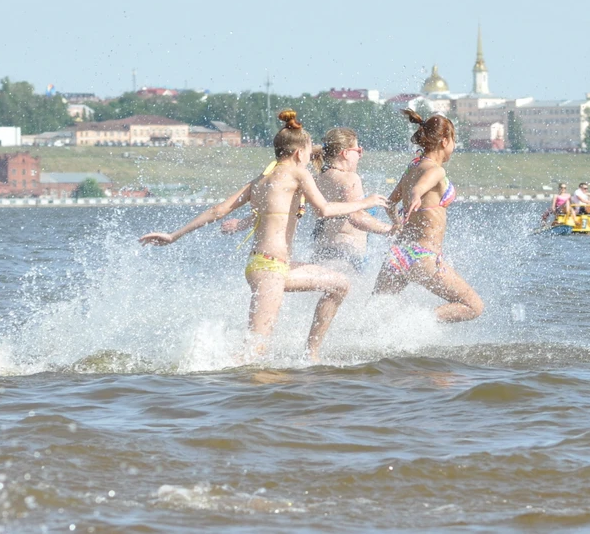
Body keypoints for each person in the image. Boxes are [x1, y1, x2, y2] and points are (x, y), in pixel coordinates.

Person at [138, 110, 388, 363]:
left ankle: (310, 356)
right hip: (270, 269)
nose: (315, 154)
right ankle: (204, 369)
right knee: (255, 350)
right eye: (310, 150)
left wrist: (174, 235)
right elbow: (324, 209)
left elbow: (218, 210)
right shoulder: (298, 174)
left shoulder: (262, 179)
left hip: (269, 265)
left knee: (339, 284)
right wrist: (365, 202)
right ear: (300, 153)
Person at [372, 109, 484, 322]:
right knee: (473, 306)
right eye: (454, 141)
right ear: (444, 141)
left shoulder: (412, 166)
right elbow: (420, 188)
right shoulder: (436, 170)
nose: (454, 146)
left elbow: (389, 203)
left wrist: (397, 223)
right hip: (423, 256)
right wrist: (416, 195)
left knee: (374, 314)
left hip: (399, 254)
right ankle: (413, 321)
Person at [310, 127, 397, 273]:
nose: (360, 155)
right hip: (345, 253)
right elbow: (356, 217)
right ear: (345, 153)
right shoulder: (349, 179)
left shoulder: (318, 179)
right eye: (358, 150)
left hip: (320, 252)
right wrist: (390, 230)